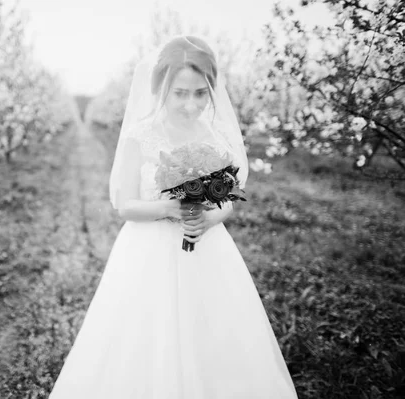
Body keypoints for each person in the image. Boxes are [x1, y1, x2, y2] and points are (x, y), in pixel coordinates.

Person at [48, 35, 298, 398]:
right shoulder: (141, 135)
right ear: (159, 86)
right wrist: (169, 208)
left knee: (214, 335)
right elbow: (124, 205)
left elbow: (228, 197)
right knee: (148, 339)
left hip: (209, 250)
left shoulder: (219, 134)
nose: (191, 103)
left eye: (200, 92)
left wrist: (212, 218)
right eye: (180, 92)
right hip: (149, 252)